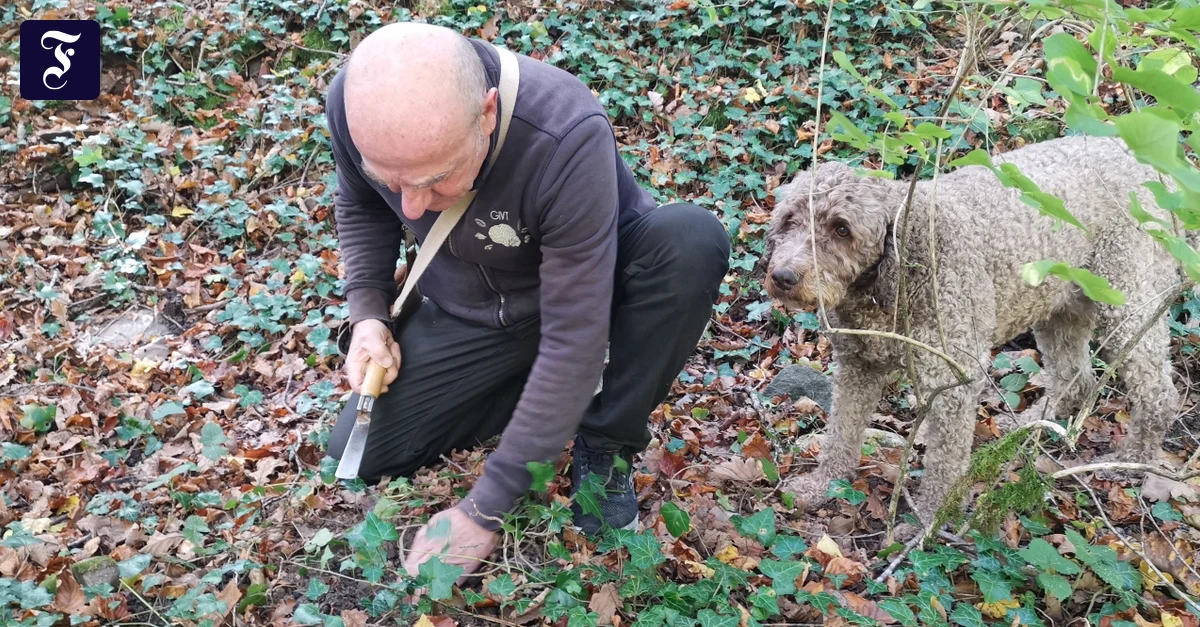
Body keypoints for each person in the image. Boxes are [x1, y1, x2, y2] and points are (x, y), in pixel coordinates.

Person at [324, 21, 730, 578]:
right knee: (359, 453)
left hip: (585, 292)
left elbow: (574, 331)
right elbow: (361, 205)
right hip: (472, 308)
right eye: (393, 181)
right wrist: (368, 313)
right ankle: (544, 396)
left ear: (487, 113)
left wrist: (484, 509)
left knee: (689, 241)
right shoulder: (356, 104)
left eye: (436, 178)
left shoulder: (564, 130)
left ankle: (606, 439)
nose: (413, 208)